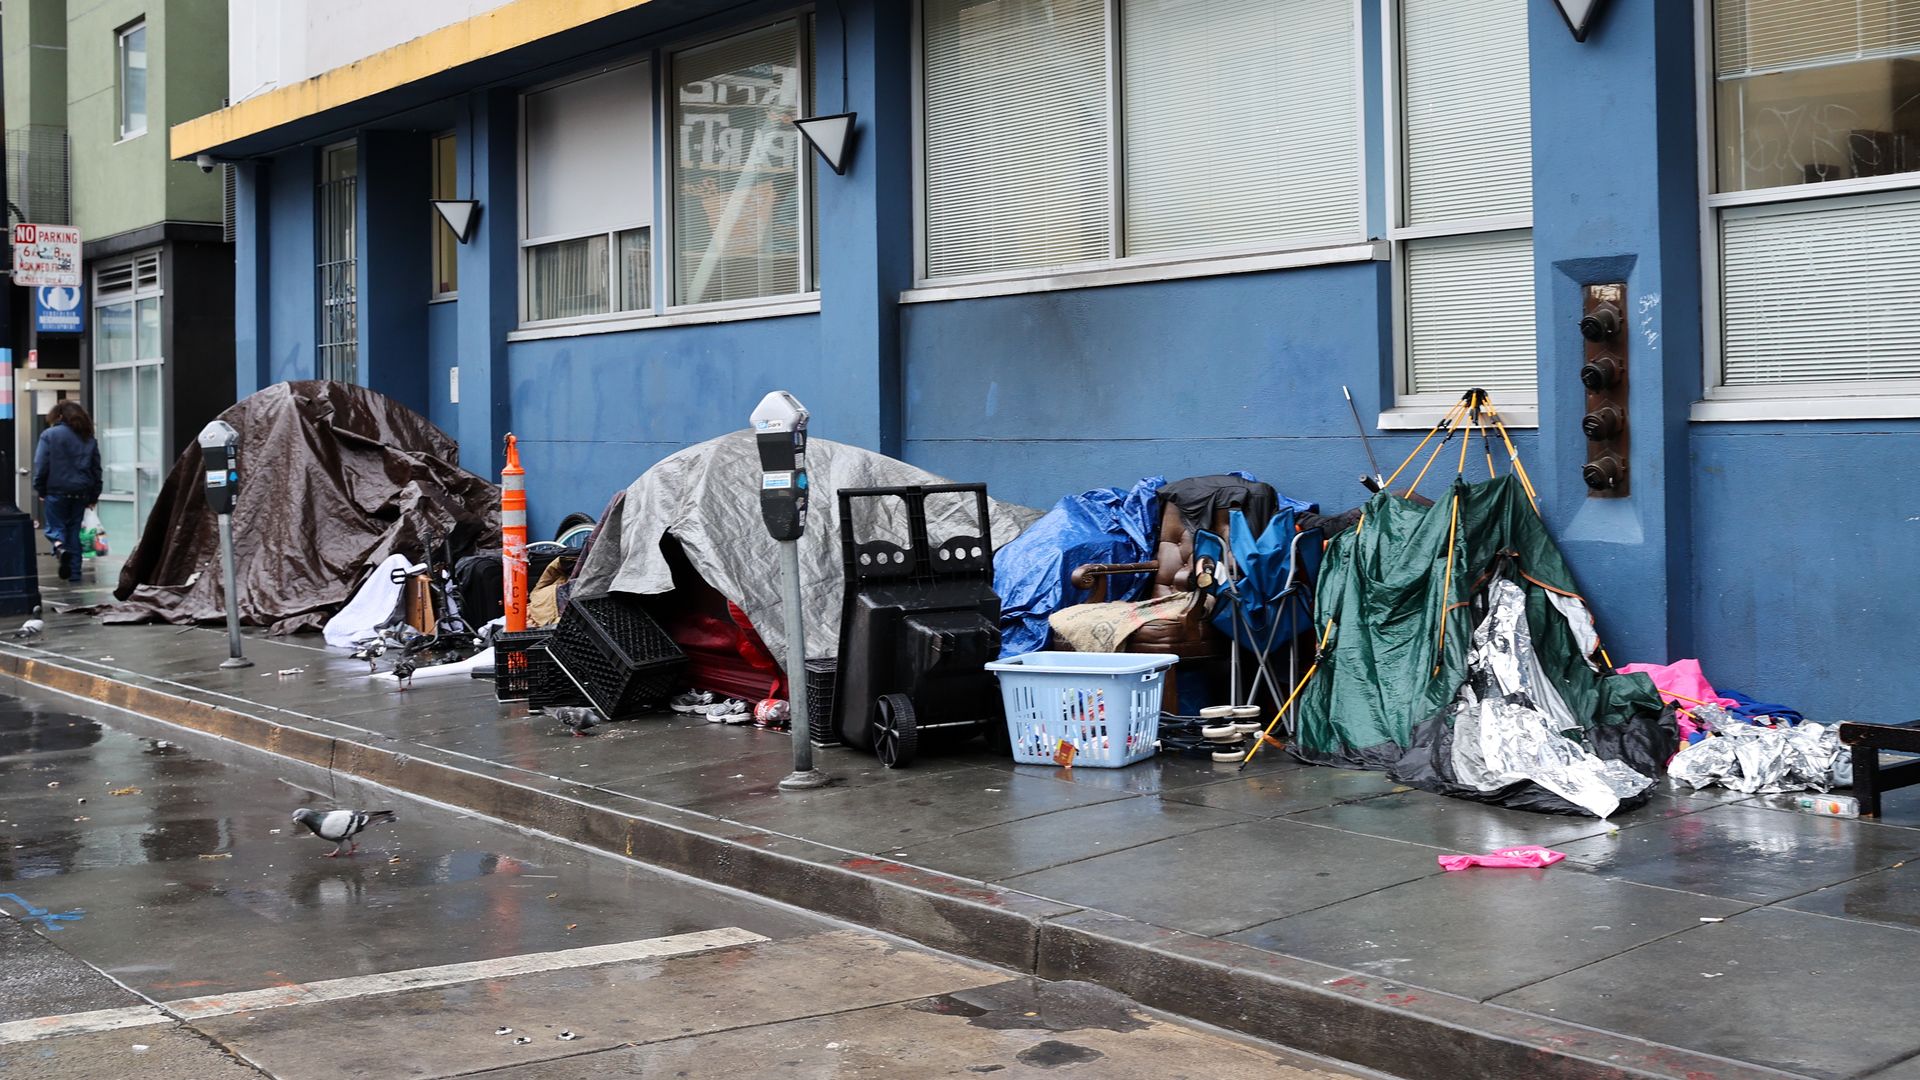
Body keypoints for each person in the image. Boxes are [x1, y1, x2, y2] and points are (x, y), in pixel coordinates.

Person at [31, 400, 102, 584]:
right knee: (74, 532)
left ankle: (60, 548)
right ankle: (75, 574)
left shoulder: (49, 435)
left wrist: (40, 488)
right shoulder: (88, 438)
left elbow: (41, 464)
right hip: (80, 493)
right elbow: (96, 470)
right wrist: (94, 495)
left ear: (60, 416)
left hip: (56, 491)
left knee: (55, 529)